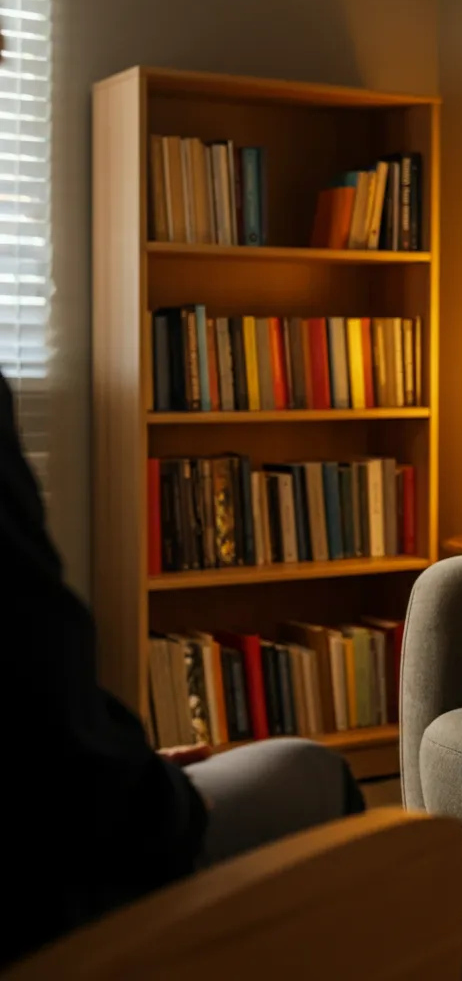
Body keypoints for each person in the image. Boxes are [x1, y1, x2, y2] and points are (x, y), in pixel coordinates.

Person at [2, 368, 364, 971]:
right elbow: (32, 678)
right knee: (310, 769)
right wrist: (147, 786)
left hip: (65, 796)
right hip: (51, 871)